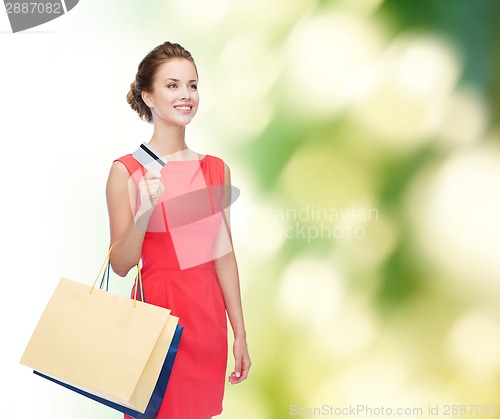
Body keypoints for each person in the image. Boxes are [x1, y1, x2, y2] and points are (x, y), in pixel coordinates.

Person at [105, 41, 251, 419]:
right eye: (172, 85)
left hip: (207, 328)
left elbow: (223, 257)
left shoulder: (215, 169)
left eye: (192, 85)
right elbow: (121, 264)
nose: (186, 95)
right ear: (148, 96)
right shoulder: (127, 171)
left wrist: (240, 334)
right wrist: (144, 213)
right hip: (154, 329)